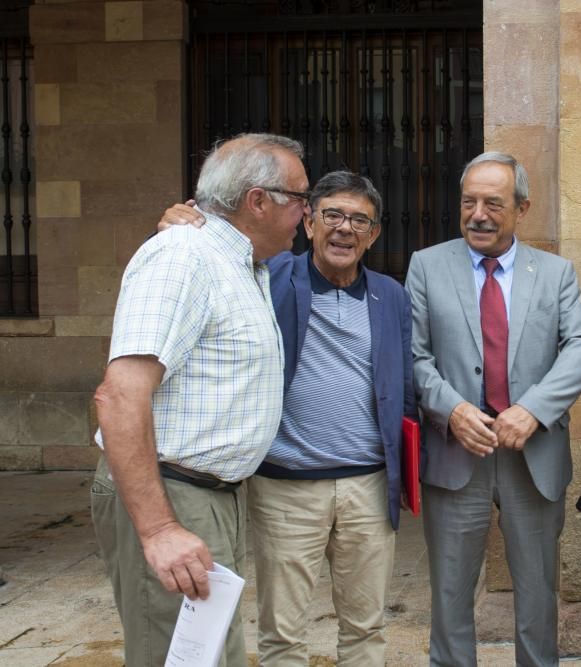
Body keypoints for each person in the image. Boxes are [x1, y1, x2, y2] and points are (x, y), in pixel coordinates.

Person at [157, 170, 416, 666]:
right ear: (309, 223)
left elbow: (403, 387)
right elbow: (209, 260)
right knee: (283, 631)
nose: (345, 229)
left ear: (375, 234)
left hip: (367, 486)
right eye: (332, 215)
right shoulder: (268, 276)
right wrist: (180, 224)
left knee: (367, 626)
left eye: (359, 220)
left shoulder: (391, 295)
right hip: (286, 487)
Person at [91, 133, 309, 666]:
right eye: (301, 198)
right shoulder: (183, 257)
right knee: (181, 658)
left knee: (212, 655)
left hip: (213, 495)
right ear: (258, 201)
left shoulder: (243, 263)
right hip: (174, 491)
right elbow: (120, 395)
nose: (309, 211)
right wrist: (161, 529)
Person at [405, 151, 581, 666]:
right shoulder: (426, 265)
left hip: (531, 454)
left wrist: (534, 409)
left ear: (522, 207)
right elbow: (413, 354)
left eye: (493, 203)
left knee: (537, 592)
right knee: (450, 593)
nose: (478, 215)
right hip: (455, 453)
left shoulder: (555, 272)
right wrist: (450, 409)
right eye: (469, 202)